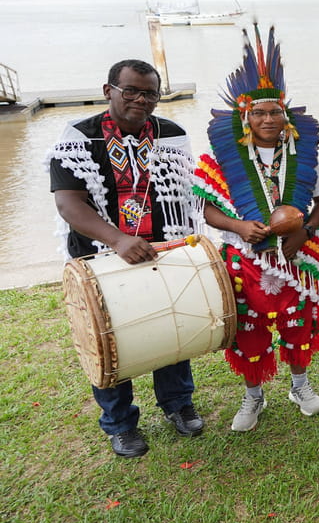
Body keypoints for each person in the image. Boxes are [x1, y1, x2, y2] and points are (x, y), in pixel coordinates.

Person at [48, 59, 203, 457]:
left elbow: (188, 195)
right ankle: (119, 423)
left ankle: (178, 405)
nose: (140, 99)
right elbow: (69, 204)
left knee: (172, 328)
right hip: (102, 255)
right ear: (108, 90)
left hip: (161, 250)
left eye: (150, 93)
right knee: (109, 339)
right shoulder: (79, 138)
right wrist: (118, 240)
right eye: (130, 90)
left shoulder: (170, 134)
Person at [197, 26, 319, 431]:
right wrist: (239, 224)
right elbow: (208, 210)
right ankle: (253, 396)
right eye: (259, 113)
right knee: (249, 328)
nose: (269, 119)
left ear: (285, 115)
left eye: (275, 111)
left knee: (298, 321)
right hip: (245, 258)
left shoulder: (300, 154)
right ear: (246, 117)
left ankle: (299, 385)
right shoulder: (227, 158)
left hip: (295, 257)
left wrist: (304, 232)